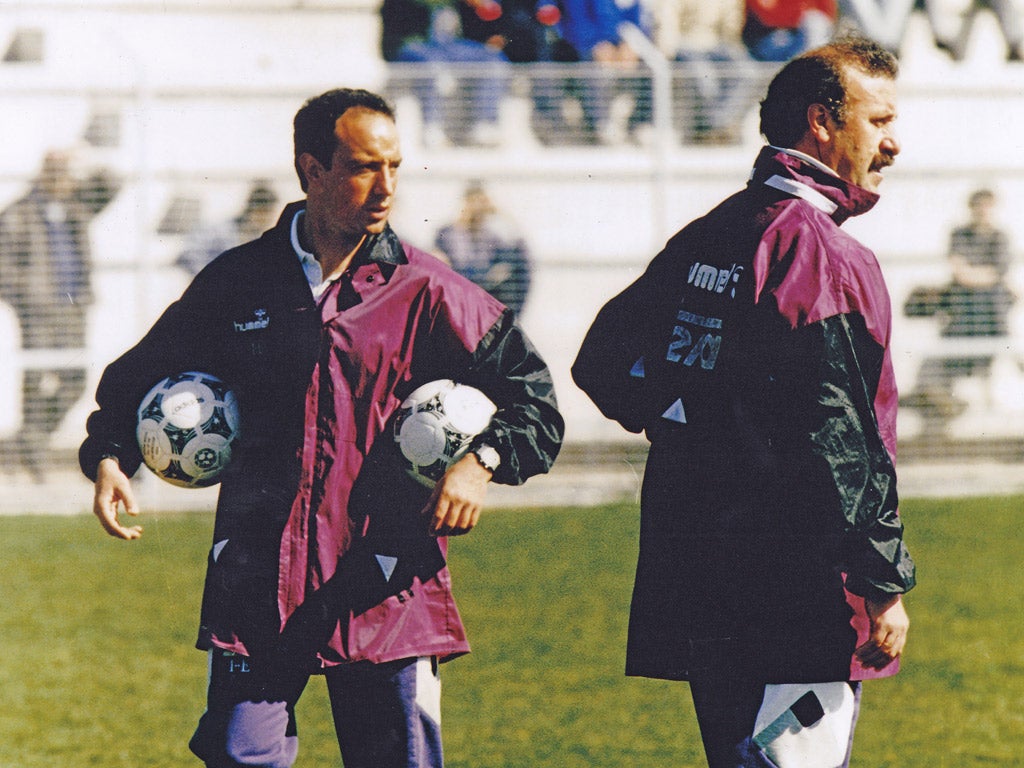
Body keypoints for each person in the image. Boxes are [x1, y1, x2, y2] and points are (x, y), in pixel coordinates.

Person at [81, 88, 564, 768]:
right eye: (365, 167)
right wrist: (108, 454)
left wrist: (479, 460)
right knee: (239, 755)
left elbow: (536, 403)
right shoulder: (240, 282)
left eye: (395, 166)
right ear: (312, 170)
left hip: (385, 586)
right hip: (259, 582)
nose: (387, 187)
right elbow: (143, 373)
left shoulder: (428, 289)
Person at [572, 37, 915, 767]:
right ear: (821, 122)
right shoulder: (821, 253)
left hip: (698, 571)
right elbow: (840, 438)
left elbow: (604, 361)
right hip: (798, 586)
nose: (893, 143)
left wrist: (690, 421)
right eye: (879, 120)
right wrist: (882, 581)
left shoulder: (716, 230)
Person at [0, 148, 120, 482]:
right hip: (39, 313)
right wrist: (29, 297)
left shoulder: (75, 208)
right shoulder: (18, 213)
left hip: (74, 309)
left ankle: (27, 441)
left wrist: (85, 153)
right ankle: (34, 455)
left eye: (67, 174)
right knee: (36, 383)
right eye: (58, 173)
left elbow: (113, 184)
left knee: (75, 380)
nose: (63, 180)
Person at [902, 187, 1016, 434]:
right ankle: (940, 406)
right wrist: (983, 276)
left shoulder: (1000, 238)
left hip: (990, 316)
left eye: (988, 206)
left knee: (1000, 356)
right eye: (979, 206)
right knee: (941, 363)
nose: (983, 212)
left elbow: (997, 272)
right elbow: (961, 271)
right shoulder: (960, 234)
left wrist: (978, 276)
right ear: (972, 208)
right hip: (963, 313)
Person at [381, 0, 511, 147]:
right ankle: (432, 127)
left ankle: (485, 123)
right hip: (416, 44)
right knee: (433, 66)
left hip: (450, 45)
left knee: (493, 59)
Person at [434, 181, 532, 313]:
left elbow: (519, 246)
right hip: (456, 294)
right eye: (473, 202)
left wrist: (500, 213)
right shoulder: (446, 233)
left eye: (481, 203)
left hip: (485, 294)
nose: (477, 209)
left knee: (520, 258)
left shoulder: (492, 237)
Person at [175, 180, 279, 277]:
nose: (265, 220)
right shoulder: (220, 230)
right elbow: (189, 256)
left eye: (269, 214)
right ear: (251, 209)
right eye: (262, 213)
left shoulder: (260, 239)